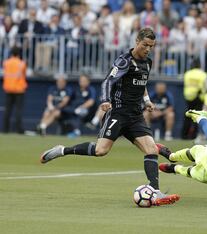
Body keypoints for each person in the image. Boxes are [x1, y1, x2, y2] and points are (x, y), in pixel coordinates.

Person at [40, 28, 180, 206]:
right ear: (136, 41)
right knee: (101, 151)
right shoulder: (124, 61)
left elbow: (142, 83)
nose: (148, 49)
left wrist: (147, 100)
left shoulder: (148, 62)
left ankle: (155, 190)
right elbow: (108, 81)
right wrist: (105, 100)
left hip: (136, 115)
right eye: (145, 45)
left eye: (151, 46)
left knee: (151, 150)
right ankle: (63, 150)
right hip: (118, 113)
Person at [2, 47, 27, 134]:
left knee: (7, 110)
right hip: (19, 90)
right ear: (19, 54)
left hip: (8, 89)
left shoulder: (6, 63)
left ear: (11, 53)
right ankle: (19, 130)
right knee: (18, 111)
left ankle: (5, 130)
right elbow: (24, 75)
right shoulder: (22, 64)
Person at [182, 57, 207, 139]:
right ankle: (194, 135)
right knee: (197, 116)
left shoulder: (187, 73)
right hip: (198, 97)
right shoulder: (203, 74)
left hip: (188, 96)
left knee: (188, 116)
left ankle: (184, 135)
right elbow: (206, 86)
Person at [64, 73, 97, 138]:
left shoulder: (91, 89)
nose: (82, 82)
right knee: (64, 109)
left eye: (84, 81)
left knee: (80, 112)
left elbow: (91, 102)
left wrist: (81, 107)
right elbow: (68, 99)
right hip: (74, 109)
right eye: (81, 80)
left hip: (87, 111)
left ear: (88, 81)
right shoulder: (75, 89)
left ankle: (77, 132)